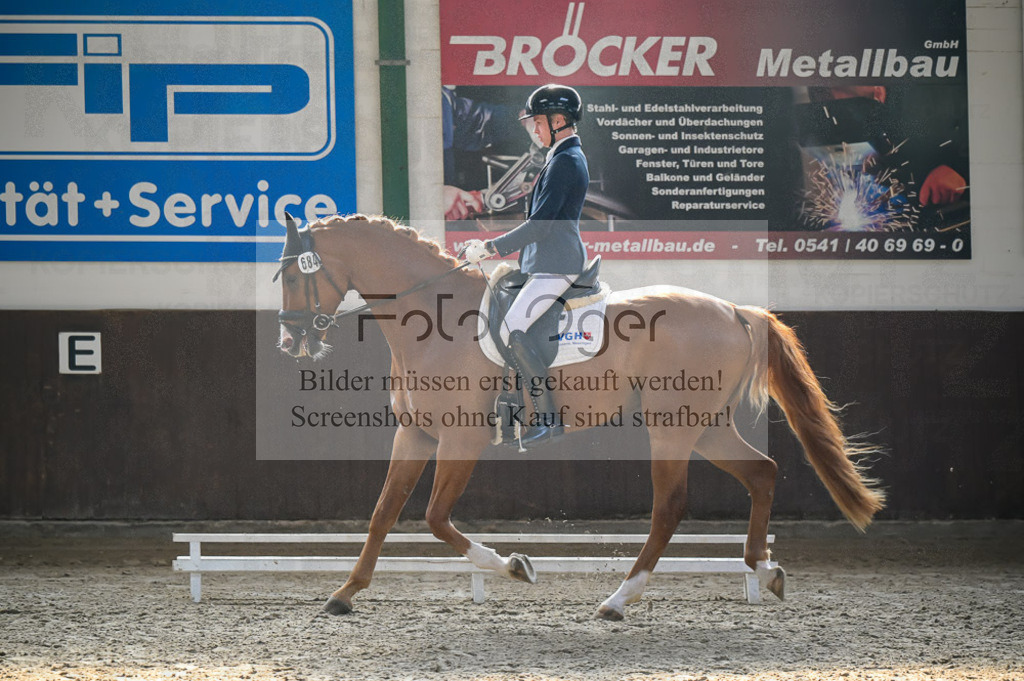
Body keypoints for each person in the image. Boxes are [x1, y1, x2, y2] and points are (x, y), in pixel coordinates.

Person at [462, 83, 589, 448]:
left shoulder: (565, 161)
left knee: (512, 328)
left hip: (557, 264)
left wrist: (491, 247)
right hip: (543, 261)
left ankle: (548, 419)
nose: (534, 129)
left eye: (539, 122)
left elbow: (540, 225)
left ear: (559, 120)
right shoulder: (559, 156)